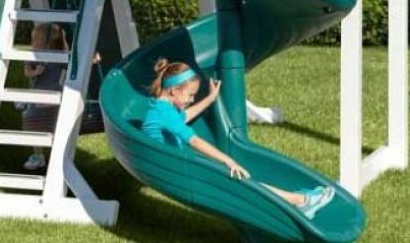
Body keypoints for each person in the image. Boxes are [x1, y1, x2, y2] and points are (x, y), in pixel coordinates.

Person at [144, 59, 336, 219]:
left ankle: (297, 199)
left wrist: (210, 99)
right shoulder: (165, 113)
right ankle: (300, 202)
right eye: (190, 95)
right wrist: (228, 160)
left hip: (175, 164)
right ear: (174, 90)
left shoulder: (160, 107)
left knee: (237, 177)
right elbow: (194, 141)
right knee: (236, 179)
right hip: (176, 173)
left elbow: (184, 117)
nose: (191, 100)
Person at [21, 22, 68, 172]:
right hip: (38, 98)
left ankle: (58, 156)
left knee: (55, 127)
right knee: (34, 126)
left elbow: (71, 59)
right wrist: (36, 72)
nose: (33, 43)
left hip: (55, 99)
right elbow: (27, 72)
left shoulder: (58, 56)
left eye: (37, 40)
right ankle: (38, 156)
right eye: (33, 39)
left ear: (49, 43)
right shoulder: (33, 56)